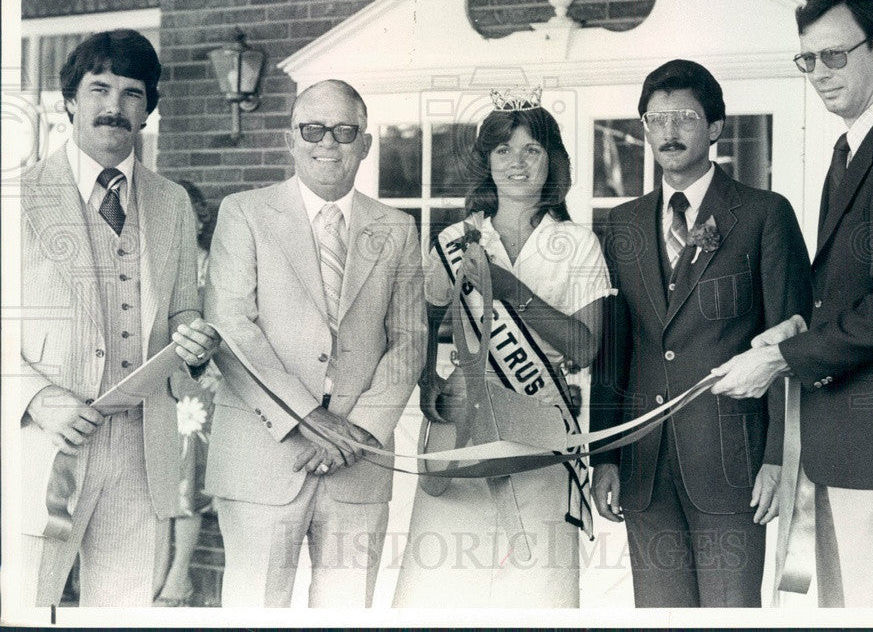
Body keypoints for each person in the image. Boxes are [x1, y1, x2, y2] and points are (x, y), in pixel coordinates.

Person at [710, 0, 873, 608]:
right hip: (855, 447)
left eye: (833, 56)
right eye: (808, 61)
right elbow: (857, 290)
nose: (819, 75)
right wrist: (797, 327)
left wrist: (784, 358)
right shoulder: (854, 147)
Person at [590, 59, 812, 607]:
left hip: (732, 467)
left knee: (730, 614)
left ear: (714, 128)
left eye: (685, 117)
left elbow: (793, 343)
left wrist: (780, 459)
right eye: (655, 118)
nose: (669, 131)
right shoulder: (621, 224)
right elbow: (613, 352)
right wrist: (606, 456)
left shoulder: (763, 214)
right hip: (643, 465)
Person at [203, 79, 426, 607]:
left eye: (345, 131)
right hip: (264, 457)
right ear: (291, 139)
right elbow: (233, 330)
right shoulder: (244, 213)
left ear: (365, 144)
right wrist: (308, 418)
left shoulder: (397, 228)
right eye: (313, 129)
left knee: (347, 611)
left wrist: (360, 431)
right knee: (256, 611)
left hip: (360, 461)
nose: (328, 142)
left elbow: (411, 340)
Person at [18, 29, 219, 607]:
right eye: (99, 89)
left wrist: (196, 340)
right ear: (71, 102)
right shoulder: (16, 197)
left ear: (148, 111)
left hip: (142, 448)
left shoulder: (172, 202)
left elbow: (184, 310)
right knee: (24, 605)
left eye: (132, 94)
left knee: (124, 612)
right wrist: (37, 399)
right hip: (43, 445)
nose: (114, 107)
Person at [392, 94, 614, 608]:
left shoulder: (578, 242)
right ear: (486, 162)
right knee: (443, 584)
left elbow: (585, 345)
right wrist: (428, 378)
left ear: (551, 161)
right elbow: (421, 317)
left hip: (539, 419)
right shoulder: (458, 237)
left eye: (531, 150)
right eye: (503, 150)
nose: (516, 162)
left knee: (536, 587)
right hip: (461, 422)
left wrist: (514, 292)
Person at [153, 180, 220, 606]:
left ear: (199, 221)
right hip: (159, 383)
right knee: (159, 479)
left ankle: (180, 577)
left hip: (199, 387)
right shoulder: (157, 266)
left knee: (187, 480)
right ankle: (155, 574)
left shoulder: (212, 268)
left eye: (187, 217)